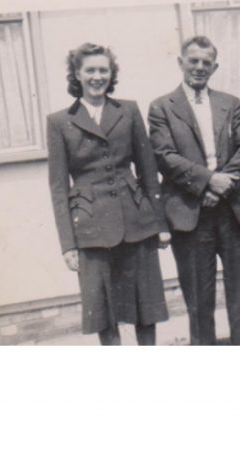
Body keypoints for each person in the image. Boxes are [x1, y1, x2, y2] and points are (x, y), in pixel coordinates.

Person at [47, 42, 170, 345]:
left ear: (111, 73)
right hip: (90, 227)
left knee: (145, 305)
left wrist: (160, 224)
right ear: (77, 74)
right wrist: (67, 244)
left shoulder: (128, 110)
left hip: (136, 221)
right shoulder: (59, 122)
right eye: (90, 70)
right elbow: (58, 187)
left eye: (103, 70)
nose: (97, 76)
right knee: (104, 310)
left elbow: (147, 170)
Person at [148, 36, 240, 345]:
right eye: (193, 61)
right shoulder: (161, 107)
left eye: (206, 63)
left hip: (233, 210)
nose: (199, 67)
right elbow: (165, 157)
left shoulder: (230, 103)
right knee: (198, 301)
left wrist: (221, 185)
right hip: (189, 213)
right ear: (180, 63)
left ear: (215, 67)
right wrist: (208, 181)